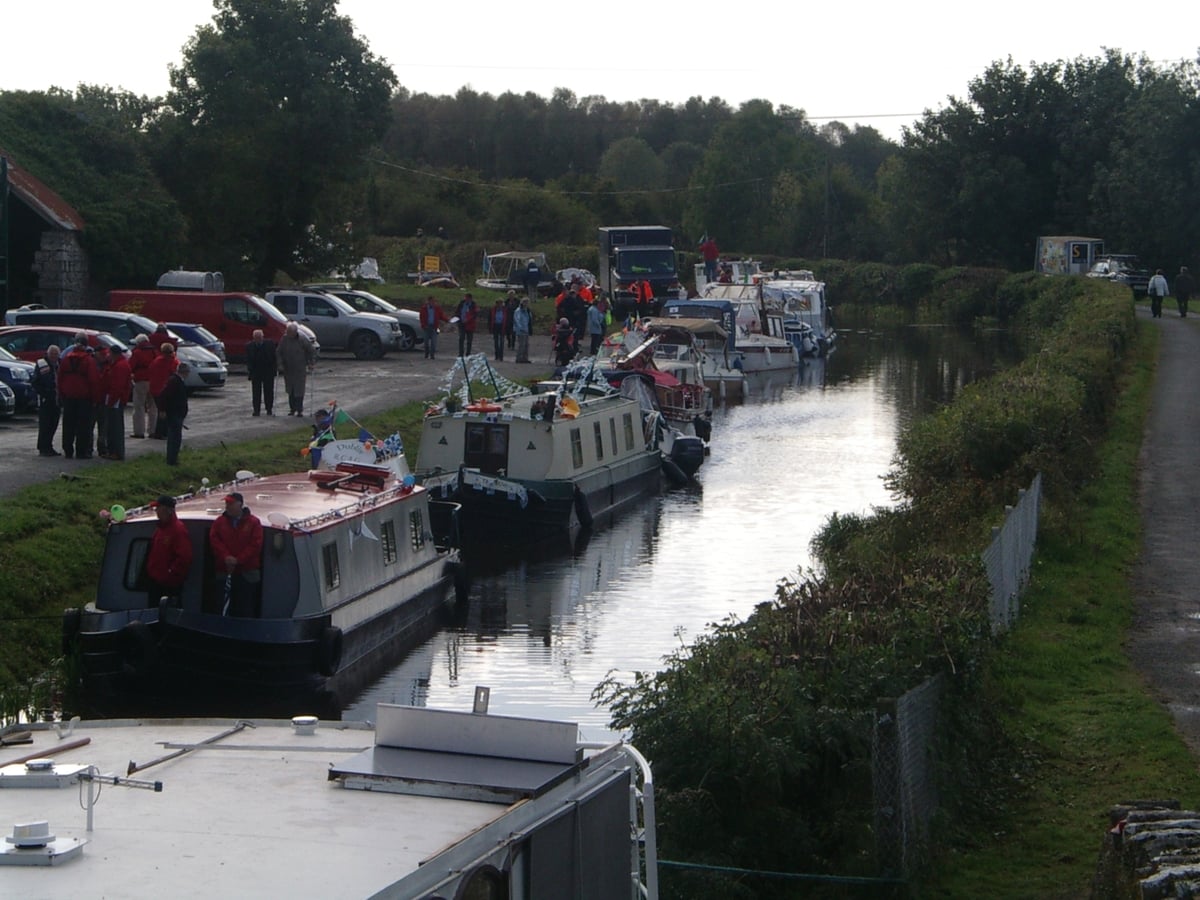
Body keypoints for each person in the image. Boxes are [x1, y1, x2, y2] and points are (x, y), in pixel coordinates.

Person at [208, 492, 264, 617]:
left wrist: (238, 560)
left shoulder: (254, 523)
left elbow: (255, 545)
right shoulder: (219, 522)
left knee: (245, 605)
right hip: (225, 571)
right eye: (226, 503)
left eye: (231, 503)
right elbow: (214, 540)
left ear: (240, 504)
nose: (227, 506)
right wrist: (226, 557)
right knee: (221, 603)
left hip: (247, 573)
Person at [57, 333, 100, 460]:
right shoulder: (88, 360)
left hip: (69, 397)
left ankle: (68, 450)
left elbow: (59, 379)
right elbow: (94, 381)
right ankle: (81, 451)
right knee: (84, 426)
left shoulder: (66, 359)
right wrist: (95, 399)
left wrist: (61, 395)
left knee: (68, 425)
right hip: (84, 398)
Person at [145, 495, 193, 606]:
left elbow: (185, 557)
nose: (156, 511)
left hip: (168, 585)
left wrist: (170, 574)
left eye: (158, 508)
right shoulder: (160, 529)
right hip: (155, 581)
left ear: (168, 510)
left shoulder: (178, 529)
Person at [277, 322, 316, 416]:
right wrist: (280, 364)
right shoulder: (284, 339)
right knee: (290, 389)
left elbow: (312, 351)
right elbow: (278, 352)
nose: (288, 334)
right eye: (287, 332)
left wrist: (311, 363)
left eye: (290, 332)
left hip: (300, 368)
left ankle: (299, 410)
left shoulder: (302, 339)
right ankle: (292, 409)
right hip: (288, 368)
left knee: (299, 389)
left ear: (295, 332)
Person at [103, 346, 133, 460]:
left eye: (109, 353)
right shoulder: (118, 364)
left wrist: (111, 401)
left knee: (115, 427)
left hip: (116, 400)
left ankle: (117, 452)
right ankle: (112, 451)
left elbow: (117, 386)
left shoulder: (120, 366)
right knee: (111, 427)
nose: (107, 356)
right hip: (114, 399)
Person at [33, 344, 61, 457]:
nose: (54, 356)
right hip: (45, 400)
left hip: (57, 399)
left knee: (53, 424)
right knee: (45, 425)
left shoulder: (60, 363)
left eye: (56, 354)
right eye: (52, 354)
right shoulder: (41, 364)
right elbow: (35, 382)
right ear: (48, 354)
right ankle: (43, 447)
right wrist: (44, 394)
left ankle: (49, 446)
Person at [160, 361, 190, 466]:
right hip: (174, 413)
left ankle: (173, 459)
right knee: (174, 438)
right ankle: (172, 460)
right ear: (185, 372)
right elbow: (164, 396)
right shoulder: (174, 381)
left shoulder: (176, 380)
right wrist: (163, 410)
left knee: (175, 438)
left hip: (177, 413)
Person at [147, 342, 179, 439]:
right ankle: (162, 432)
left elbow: (150, 371)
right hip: (167, 390)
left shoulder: (156, 361)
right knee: (166, 412)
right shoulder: (174, 362)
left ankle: (159, 432)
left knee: (160, 411)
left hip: (155, 389)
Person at [129, 333, 157, 438]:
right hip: (153, 381)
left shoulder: (137, 352)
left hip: (140, 381)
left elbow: (130, 366)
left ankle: (139, 432)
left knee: (139, 407)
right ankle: (152, 430)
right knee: (153, 407)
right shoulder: (154, 351)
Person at [245, 328, 277, 416]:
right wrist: (250, 370)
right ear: (253, 338)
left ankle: (269, 409)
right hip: (256, 372)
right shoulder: (249, 346)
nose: (258, 340)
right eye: (256, 338)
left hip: (268, 371)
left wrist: (275, 369)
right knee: (256, 392)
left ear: (263, 337)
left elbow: (274, 358)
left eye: (259, 337)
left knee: (269, 391)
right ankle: (256, 410)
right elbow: (248, 360)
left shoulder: (270, 344)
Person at [513, 297, 533, 363]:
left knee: (526, 345)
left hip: (526, 329)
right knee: (521, 345)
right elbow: (517, 320)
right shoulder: (518, 311)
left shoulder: (527, 310)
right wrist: (520, 328)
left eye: (527, 302)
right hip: (521, 330)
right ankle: (519, 358)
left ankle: (525, 358)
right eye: (525, 302)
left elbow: (529, 319)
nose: (526, 304)